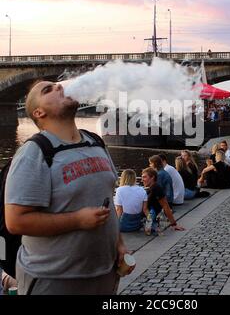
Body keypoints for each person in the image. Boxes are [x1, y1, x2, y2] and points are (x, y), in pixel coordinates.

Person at [4, 80, 130, 295]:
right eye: (48, 90)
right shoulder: (34, 152)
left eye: (57, 85)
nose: (60, 87)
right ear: (39, 112)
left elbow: (107, 198)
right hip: (54, 279)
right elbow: (15, 221)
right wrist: (78, 220)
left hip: (104, 274)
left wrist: (119, 244)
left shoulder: (96, 143)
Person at [141, 168, 185, 234]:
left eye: (144, 177)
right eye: (142, 177)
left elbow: (166, 206)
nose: (142, 180)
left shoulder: (156, 188)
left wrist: (174, 224)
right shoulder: (151, 188)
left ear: (152, 177)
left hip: (149, 217)